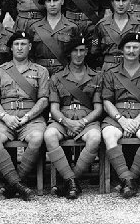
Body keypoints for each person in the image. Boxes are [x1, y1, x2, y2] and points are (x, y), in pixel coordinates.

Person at [0, 31, 50, 200]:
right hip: (4, 118)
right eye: (16, 44)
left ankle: (13, 183)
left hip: (31, 118)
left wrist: (28, 117)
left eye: (23, 44)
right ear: (11, 48)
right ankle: (18, 185)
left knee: (37, 138)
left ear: (29, 47)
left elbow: (43, 99)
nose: (20, 47)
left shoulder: (41, 71)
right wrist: (5, 117)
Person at [100, 30, 140, 198]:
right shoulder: (111, 72)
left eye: (135, 47)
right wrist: (121, 120)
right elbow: (107, 101)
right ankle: (129, 180)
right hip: (117, 116)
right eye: (128, 47)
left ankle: (128, 179)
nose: (131, 51)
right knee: (109, 134)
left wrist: (137, 121)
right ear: (122, 50)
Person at [44, 37, 103, 199]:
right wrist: (67, 122)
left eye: (82, 50)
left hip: (87, 120)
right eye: (75, 51)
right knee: (49, 135)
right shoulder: (57, 77)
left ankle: (70, 180)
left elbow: (98, 109)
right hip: (63, 119)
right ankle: (72, 181)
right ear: (69, 54)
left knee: (95, 137)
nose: (79, 54)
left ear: (86, 52)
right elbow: (54, 109)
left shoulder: (96, 76)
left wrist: (83, 122)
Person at [29, 0, 79, 76]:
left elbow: (77, 54)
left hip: (64, 71)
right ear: (44, 4)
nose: (52, 4)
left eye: (55, 0)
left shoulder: (72, 27)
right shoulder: (34, 28)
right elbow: (30, 55)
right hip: (39, 71)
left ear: (62, 1)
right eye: (48, 1)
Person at [93, 0, 140, 69]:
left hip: (132, 66)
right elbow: (95, 52)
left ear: (129, 2)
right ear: (112, 3)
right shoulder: (102, 25)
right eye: (117, 1)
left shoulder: (138, 24)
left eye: (124, 1)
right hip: (109, 67)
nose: (121, 4)